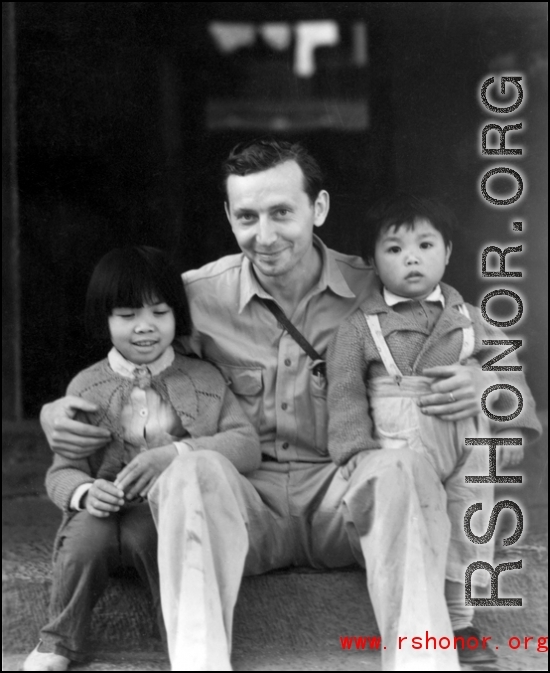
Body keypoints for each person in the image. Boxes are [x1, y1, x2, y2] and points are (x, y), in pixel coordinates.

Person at [41, 140, 496, 671]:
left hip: (343, 497)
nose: (266, 234)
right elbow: (132, 354)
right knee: (189, 470)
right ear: (229, 217)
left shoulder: (381, 286)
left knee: (402, 466)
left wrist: (479, 380)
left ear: (318, 209)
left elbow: (472, 342)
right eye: (248, 216)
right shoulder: (196, 297)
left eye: (282, 212)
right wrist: (59, 409)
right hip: (243, 506)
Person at [326, 194, 542, 666]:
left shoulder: (474, 320)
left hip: (466, 442)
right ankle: (428, 628)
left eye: (425, 245)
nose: (412, 259)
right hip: (399, 442)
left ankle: (461, 621)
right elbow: (343, 393)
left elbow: (508, 375)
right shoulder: (359, 328)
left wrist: (507, 422)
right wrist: (355, 450)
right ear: (371, 261)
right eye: (394, 249)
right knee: (419, 525)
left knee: (470, 525)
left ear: (447, 252)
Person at [25, 246, 259, 672]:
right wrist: (82, 493)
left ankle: (181, 639)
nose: (145, 327)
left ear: (178, 316)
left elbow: (245, 444)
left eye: (159, 312)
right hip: (99, 512)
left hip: (162, 512)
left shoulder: (203, 378)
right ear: (105, 320)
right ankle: (60, 640)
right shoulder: (87, 385)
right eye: (127, 315)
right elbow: (62, 471)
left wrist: (177, 455)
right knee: (81, 548)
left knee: (159, 546)